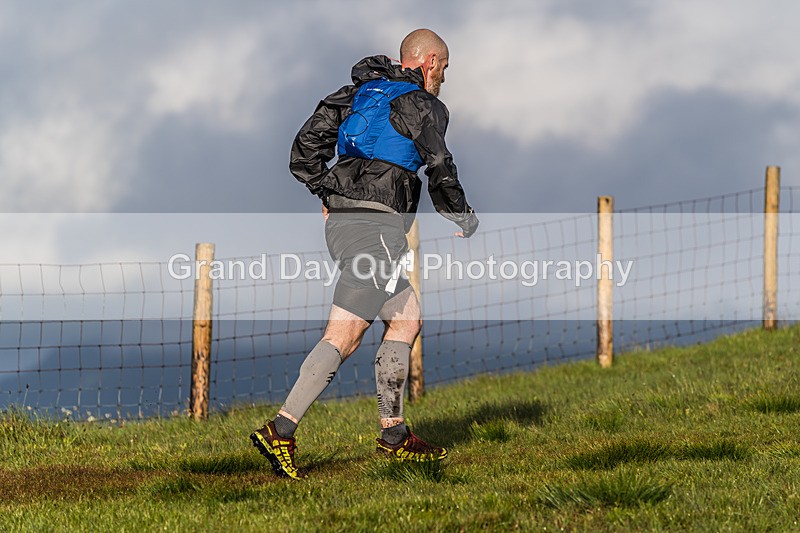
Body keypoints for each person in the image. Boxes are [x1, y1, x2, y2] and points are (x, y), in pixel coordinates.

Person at [250, 28, 479, 479]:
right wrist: (462, 217)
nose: (445, 79)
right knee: (344, 334)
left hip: (348, 224)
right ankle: (280, 430)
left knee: (406, 315)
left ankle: (394, 435)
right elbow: (439, 166)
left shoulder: (357, 92)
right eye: (445, 69)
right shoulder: (424, 105)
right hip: (374, 228)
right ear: (429, 62)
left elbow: (304, 149)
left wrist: (327, 192)